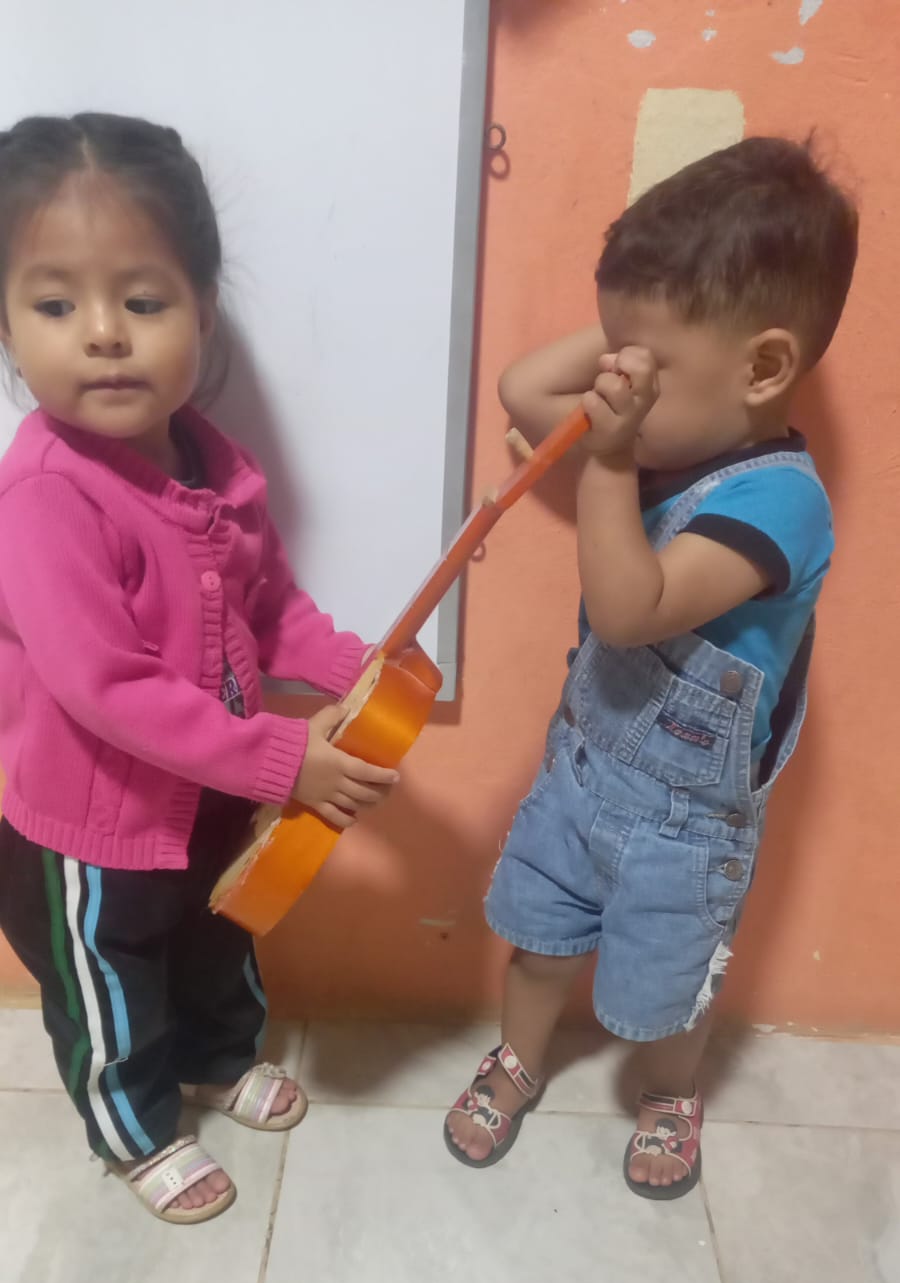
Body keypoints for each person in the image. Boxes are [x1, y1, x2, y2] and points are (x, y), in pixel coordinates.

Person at [0, 113, 398, 1223]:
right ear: (6, 325)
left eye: (142, 301)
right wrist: (283, 758)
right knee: (112, 978)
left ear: (203, 312)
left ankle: (220, 1057)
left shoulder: (217, 468)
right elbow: (107, 688)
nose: (103, 336)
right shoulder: (45, 497)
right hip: (92, 820)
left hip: (211, 789)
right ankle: (135, 1129)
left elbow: (268, 612)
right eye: (54, 305)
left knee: (220, 929)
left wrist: (353, 666)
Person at [445, 136, 858, 1198]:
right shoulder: (663, 440)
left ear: (763, 369)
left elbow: (632, 611)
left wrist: (613, 452)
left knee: (669, 988)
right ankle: (519, 1057)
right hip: (582, 769)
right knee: (539, 944)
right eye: (616, 352)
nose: (611, 381)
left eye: (647, 363)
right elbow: (522, 389)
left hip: (690, 826)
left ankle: (672, 1092)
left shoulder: (780, 502)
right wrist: (646, 340)